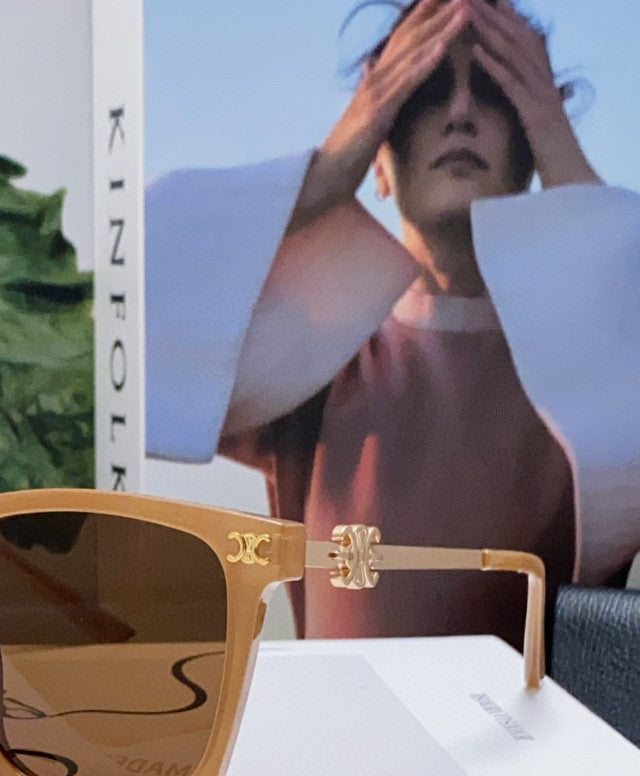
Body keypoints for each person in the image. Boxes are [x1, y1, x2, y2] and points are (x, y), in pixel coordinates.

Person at [145, 0, 640, 653]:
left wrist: (560, 151)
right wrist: (327, 170)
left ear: (529, 149)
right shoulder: (317, 357)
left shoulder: (592, 369)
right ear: (378, 160)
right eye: (422, 92)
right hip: (345, 722)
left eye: (496, 89)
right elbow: (127, 323)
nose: (460, 111)